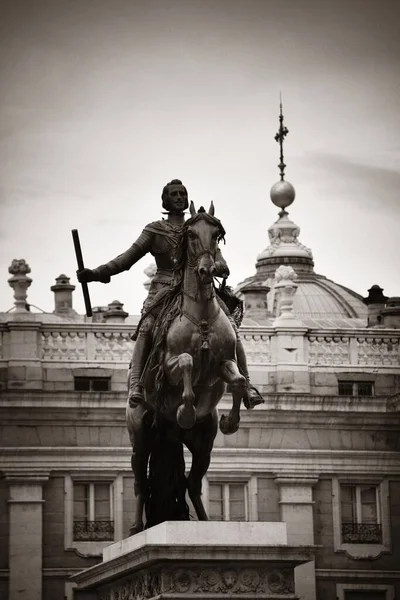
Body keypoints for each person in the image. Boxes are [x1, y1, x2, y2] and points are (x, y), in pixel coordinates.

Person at [77, 179, 263, 409]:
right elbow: (127, 259)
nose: (179, 197)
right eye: (173, 194)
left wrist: (219, 266)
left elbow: (220, 260)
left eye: (182, 193)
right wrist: (96, 273)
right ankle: (136, 384)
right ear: (165, 200)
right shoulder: (155, 229)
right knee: (146, 326)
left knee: (231, 328)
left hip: (197, 289)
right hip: (163, 289)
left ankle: (248, 386)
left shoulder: (197, 227)